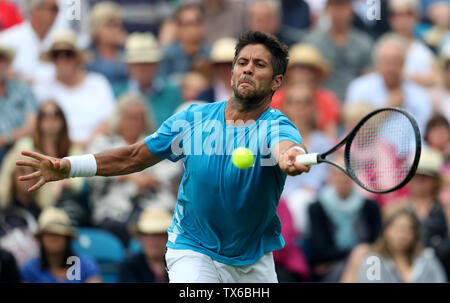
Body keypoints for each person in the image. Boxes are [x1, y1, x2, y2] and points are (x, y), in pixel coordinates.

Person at [16, 30, 311, 283]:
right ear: (233, 71)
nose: (247, 69)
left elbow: (285, 148)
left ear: (276, 81)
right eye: (242, 62)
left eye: (259, 65)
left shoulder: (277, 126)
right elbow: (133, 156)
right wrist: (69, 166)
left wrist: (292, 158)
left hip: (252, 257)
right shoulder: (193, 118)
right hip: (193, 246)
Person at [87, 93, 181, 245]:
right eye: (130, 117)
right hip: (113, 211)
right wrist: (128, 177)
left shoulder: (155, 141)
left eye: (139, 117)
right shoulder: (103, 142)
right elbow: (92, 173)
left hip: (153, 208)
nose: (135, 122)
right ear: (119, 119)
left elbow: (171, 169)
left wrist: (145, 178)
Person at [307, 152, 382, 282]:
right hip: (334, 270)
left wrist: (359, 255)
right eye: (337, 173)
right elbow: (320, 251)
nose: (342, 178)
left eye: (346, 173)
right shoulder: (317, 208)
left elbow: (378, 243)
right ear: (329, 176)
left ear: (354, 176)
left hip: (367, 263)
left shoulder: (370, 207)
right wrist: (357, 253)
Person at [34, 30, 116, 147]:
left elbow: (109, 120)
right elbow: (39, 125)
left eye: (68, 54)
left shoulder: (98, 83)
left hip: (96, 148)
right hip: (56, 150)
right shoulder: (43, 88)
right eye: (56, 55)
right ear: (52, 60)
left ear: (77, 58)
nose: (62, 60)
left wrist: (89, 143)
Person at [346, 33, 433, 134]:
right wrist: (386, 110)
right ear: (377, 63)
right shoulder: (359, 88)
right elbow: (354, 132)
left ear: (403, 63)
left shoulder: (419, 95)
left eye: (395, 62)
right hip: (368, 149)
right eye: (386, 62)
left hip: (412, 149)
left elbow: (421, 135)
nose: (391, 68)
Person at [346, 206, 447, 283]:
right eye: (398, 228)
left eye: (408, 229)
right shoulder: (373, 262)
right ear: (386, 231)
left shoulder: (427, 259)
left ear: (414, 234)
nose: (403, 235)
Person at [303, 0, 374, 101]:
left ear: (351, 9)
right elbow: (305, 78)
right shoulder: (312, 41)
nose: (339, 11)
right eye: (334, 6)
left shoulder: (364, 42)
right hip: (321, 100)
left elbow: (368, 79)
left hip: (355, 101)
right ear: (327, 9)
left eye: (343, 6)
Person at [113, 32, 182, 129]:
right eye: (137, 64)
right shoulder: (117, 92)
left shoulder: (172, 93)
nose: (142, 69)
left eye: (148, 63)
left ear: (156, 65)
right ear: (129, 67)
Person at [271, 43, 340, 137]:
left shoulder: (327, 99)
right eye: (297, 68)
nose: (302, 73)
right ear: (288, 72)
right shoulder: (274, 99)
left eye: (308, 68)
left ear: (316, 73)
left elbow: (331, 136)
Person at [20, 207, 102, 283]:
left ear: (67, 238)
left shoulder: (86, 265)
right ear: (41, 238)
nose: (53, 238)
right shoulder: (29, 269)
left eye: (58, 233)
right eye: (48, 233)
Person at [0, 0, 60, 84]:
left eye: (56, 9)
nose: (54, 14)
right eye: (51, 9)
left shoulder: (59, 41)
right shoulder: (9, 39)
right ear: (34, 9)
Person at [388, 0, 441, 87]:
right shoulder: (383, 46)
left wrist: (405, 76)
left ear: (416, 16)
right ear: (391, 18)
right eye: (397, 14)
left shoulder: (428, 46)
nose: (403, 19)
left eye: (408, 13)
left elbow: (437, 79)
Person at [0, 42, 38, 165]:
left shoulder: (22, 89)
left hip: (20, 147)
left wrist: (5, 138)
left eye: (2, 59)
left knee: (24, 148)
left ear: (8, 63)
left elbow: (32, 125)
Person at [157, 2, 210, 85]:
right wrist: (185, 80)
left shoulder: (210, 54)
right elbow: (160, 83)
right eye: (187, 24)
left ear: (202, 26)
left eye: (196, 23)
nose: (191, 29)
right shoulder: (167, 55)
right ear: (178, 28)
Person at [118, 207, 171, 283]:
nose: (153, 241)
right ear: (141, 239)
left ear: (167, 238)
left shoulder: (178, 265)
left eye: (158, 235)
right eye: (147, 235)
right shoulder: (130, 267)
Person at [86, 1, 128, 87]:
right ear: (96, 28)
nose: (117, 29)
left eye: (118, 25)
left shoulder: (128, 53)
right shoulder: (84, 56)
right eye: (110, 25)